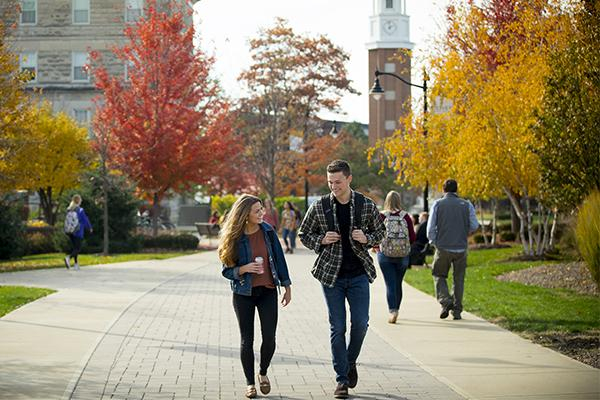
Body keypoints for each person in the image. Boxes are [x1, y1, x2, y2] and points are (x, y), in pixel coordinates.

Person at [298, 160, 386, 399]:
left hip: (358, 275)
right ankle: (341, 380)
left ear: (349, 179)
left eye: (337, 182)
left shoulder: (366, 205)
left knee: (360, 324)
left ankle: (350, 362)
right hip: (331, 276)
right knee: (337, 328)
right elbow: (304, 234)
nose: (333, 187)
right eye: (329, 182)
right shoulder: (320, 206)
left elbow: (382, 232)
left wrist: (366, 237)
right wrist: (321, 240)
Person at [219, 195, 292, 399]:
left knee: (269, 338)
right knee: (247, 340)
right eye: (257, 211)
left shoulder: (268, 231)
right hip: (243, 293)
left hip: (268, 290)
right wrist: (243, 269)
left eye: (262, 209)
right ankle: (250, 383)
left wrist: (287, 286)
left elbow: (279, 259)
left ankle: (263, 372)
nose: (262, 213)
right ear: (245, 215)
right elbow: (226, 270)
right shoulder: (234, 237)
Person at [427, 179, 479, 320]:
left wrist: (433, 242)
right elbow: (474, 225)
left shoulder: (438, 204)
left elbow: (430, 228)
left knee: (438, 274)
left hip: (443, 247)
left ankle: (445, 301)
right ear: (456, 190)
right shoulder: (466, 204)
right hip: (461, 248)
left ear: (443, 190)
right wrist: (463, 231)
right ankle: (457, 311)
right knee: (459, 279)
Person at [376, 191, 415, 324]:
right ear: (399, 200)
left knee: (390, 284)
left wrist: (376, 246)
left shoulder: (381, 216)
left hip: (385, 254)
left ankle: (392, 311)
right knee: (398, 283)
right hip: (403, 255)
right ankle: (396, 308)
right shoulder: (406, 217)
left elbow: (376, 234)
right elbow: (413, 237)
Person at [64, 194, 92, 271]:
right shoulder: (80, 210)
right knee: (78, 248)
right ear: (78, 201)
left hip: (70, 231)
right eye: (80, 200)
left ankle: (76, 265)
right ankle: (68, 258)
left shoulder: (69, 209)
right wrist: (89, 227)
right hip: (78, 231)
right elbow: (85, 220)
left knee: (75, 248)